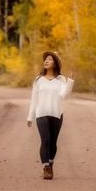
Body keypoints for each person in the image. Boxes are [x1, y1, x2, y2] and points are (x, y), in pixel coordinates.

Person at [27, 50, 75, 180]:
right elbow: (34, 99)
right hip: (41, 113)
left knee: (53, 142)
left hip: (56, 113)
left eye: (50, 59)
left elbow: (64, 96)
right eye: (45, 59)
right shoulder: (38, 80)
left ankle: (50, 163)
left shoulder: (60, 79)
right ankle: (46, 168)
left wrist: (70, 81)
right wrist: (30, 116)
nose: (46, 61)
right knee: (45, 140)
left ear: (55, 63)